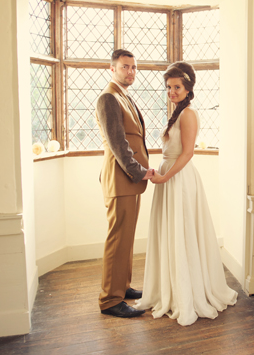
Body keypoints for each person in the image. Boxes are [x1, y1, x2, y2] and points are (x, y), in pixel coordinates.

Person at [134, 61, 238, 326]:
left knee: (182, 232)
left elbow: (188, 152)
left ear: (188, 88)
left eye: (177, 87)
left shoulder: (189, 113)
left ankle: (188, 292)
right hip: (168, 176)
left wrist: (166, 177)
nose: (171, 91)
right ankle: (169, 288)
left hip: (179, 179)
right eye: (168, 87)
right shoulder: (177, 112)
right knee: (171, 233)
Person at [95, 49, 154, 318]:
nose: (130, 71)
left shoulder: (123, 96)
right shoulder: (108, 98)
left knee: (127, 237)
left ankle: (123, 286)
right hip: (122, 178)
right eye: (125, 67)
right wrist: (138, 171)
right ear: (112, 69)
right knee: (118, 239)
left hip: (129, 180)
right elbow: (118, 144)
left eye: (133, 67)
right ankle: (110, 300)